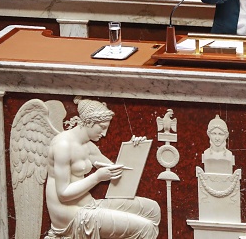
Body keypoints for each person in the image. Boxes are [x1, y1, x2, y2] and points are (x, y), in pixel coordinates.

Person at [45, 97, 161, 238]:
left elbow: (117, 170)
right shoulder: (63, 145)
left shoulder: (88, 146)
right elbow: (63, 194)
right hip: (70, 216)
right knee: (145, 228)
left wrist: (134, 148)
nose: (104, 134)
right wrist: (97, 177)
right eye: (102, 127)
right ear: (89, 122)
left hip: (89, 205)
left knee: (152, 209)